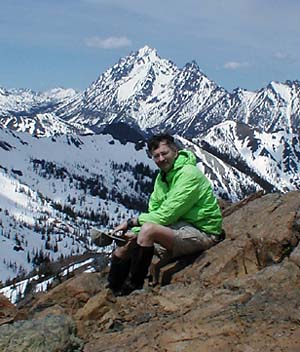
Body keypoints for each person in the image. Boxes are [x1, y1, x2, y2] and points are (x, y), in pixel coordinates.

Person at [107, 133, 223, 296]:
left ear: (175, 151)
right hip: (181, 226)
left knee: (147, 231)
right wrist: (134, 233)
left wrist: (131, 223)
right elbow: (155, 211)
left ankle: (134, 286)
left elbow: (167, 215)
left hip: (204, 231)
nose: (161, 159)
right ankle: (113, 288)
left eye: (164, 153)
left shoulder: (188, 174)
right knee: (126, 244)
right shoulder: (162, 179)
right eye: (156, 156)